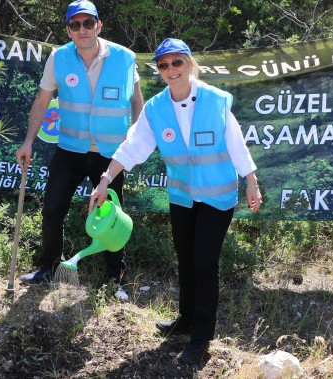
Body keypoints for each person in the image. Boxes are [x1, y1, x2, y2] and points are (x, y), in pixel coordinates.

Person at [89, 38, 262, 363]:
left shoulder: (214, 101)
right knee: (185, 258)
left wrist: (251, 181)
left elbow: (237, 144)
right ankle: (185, 319)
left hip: (217, 197)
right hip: (182, 196)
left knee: (205, 262)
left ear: (189, 63)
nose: (170, 70)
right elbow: (132, 146)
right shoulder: (156, 108)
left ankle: (200, 339)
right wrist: (104, 179)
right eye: (164, 65)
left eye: (176, 63)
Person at [15, 0, 143, 300]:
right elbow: (42, 101)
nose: (82, 29)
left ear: (99, 25)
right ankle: (47, 269)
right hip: (70, 150)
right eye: (75, 25)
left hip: (111, 153)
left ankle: (116, 279)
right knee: (53, 209)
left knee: (112, 216)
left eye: (88, 23)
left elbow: (137, 100)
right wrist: (28, 141)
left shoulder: (125, 58)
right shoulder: (59, 58)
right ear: (69, 30)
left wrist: (136, 138)